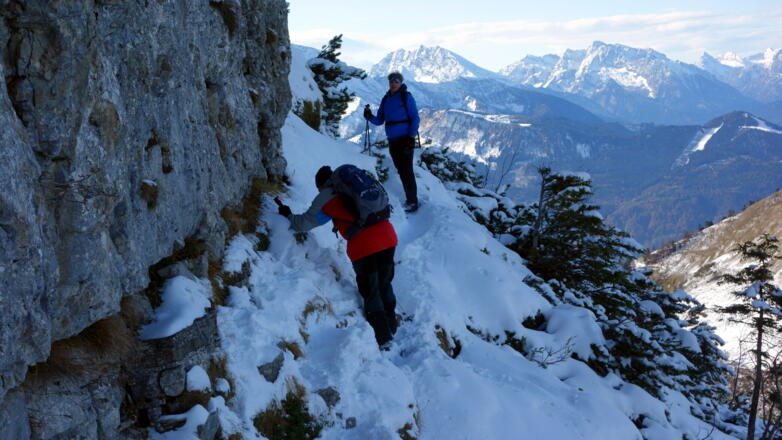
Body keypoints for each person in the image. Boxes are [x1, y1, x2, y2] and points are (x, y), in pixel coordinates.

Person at [277, 165, 399, 348]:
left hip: (364, 245)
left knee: (371, 289)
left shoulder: (327, 195)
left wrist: (288, 215)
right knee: (385, 281)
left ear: (321, 185)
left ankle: (384, 339)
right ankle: (392, 325)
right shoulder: (355, 187)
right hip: (388, 236)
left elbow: (304, 224)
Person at [364, 71, 420, 213]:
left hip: (405, 139)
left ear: (400, 83)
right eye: (391, 81)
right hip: (393, 140)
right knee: (401, 170)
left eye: (396, 81)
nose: (393, 83)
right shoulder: (386, 99)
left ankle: (413, 202)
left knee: (407, 171)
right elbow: (379, 120)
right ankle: (410, 199)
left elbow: (415, 117)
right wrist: (369, 116)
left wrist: (411, 137)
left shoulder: (406, 97)